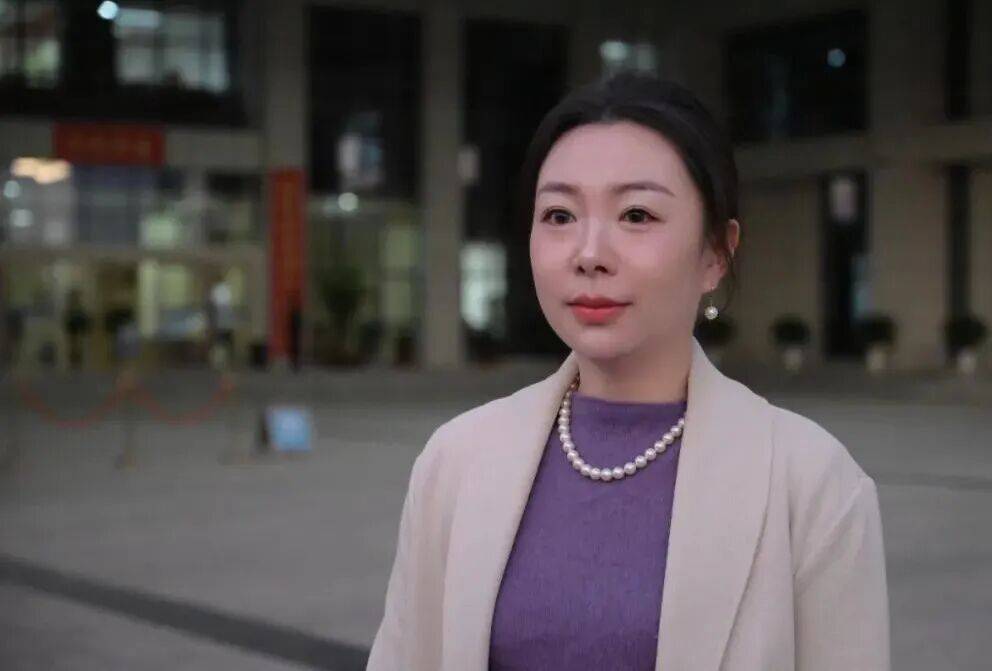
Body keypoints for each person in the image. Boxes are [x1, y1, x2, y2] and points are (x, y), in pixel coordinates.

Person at [367, 73, 890, 670]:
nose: (589, 254)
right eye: (559, 215)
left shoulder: (813, 485)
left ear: (716, 252)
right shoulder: (456, 461)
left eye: (636, 214)